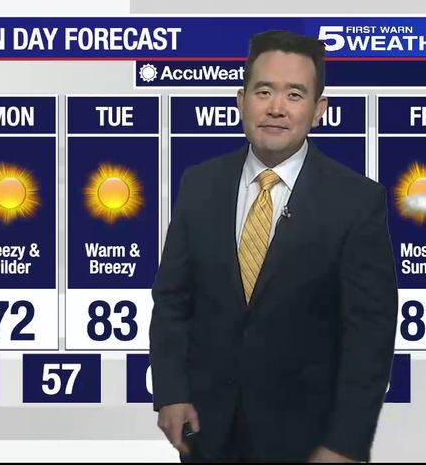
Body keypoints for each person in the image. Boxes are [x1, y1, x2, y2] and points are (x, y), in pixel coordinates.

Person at [150, 29, 399, 462]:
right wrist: (170, 392)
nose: (276, 108)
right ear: (241, 100)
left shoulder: (357, 202)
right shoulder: (199, 184)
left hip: (307, 440)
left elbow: (370, 336)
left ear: (319, 110)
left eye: (295, 94)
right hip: (207, 431)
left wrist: (344, 444)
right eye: (263, 91)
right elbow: (173, 299)